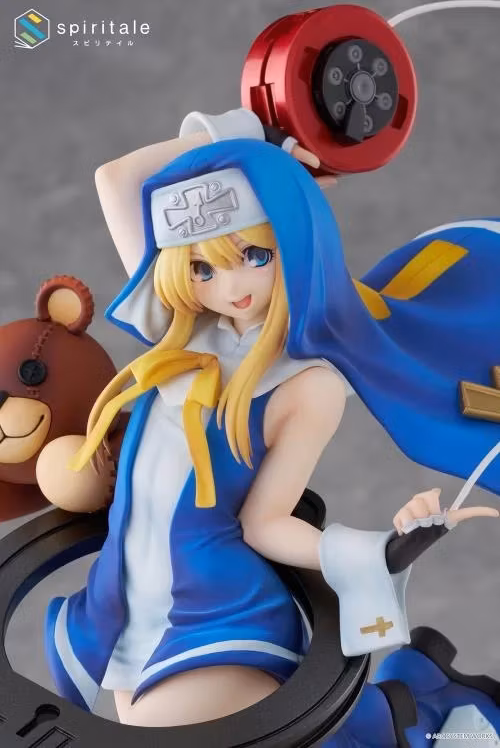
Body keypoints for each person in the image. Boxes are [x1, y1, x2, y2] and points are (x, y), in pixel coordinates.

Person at [37, 110, 500, 731]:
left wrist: (376, 553)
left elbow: (265, 522)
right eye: (203, 268)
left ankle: (416, 715)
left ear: (295, 241)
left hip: (216, 613)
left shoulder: (306, 384)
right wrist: (258, 132)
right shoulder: (180, 332)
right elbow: (117, 179)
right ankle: (415, 711)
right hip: (121, 607)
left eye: (254, 255)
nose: (231, 285)